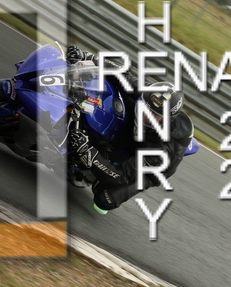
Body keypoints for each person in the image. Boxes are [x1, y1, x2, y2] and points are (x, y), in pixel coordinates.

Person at [65, 45, 194, 214]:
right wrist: (87, 57)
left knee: (105, 199)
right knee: (115, 88)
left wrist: (86, 150)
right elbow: (122, 73)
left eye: (154, 115)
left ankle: (88, 175)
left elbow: (120, 175)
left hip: (148, 165)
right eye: (146, 108)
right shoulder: (151, 96)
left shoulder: (160, 152)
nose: (146, 115)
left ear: (166, 120)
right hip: (139, 132)